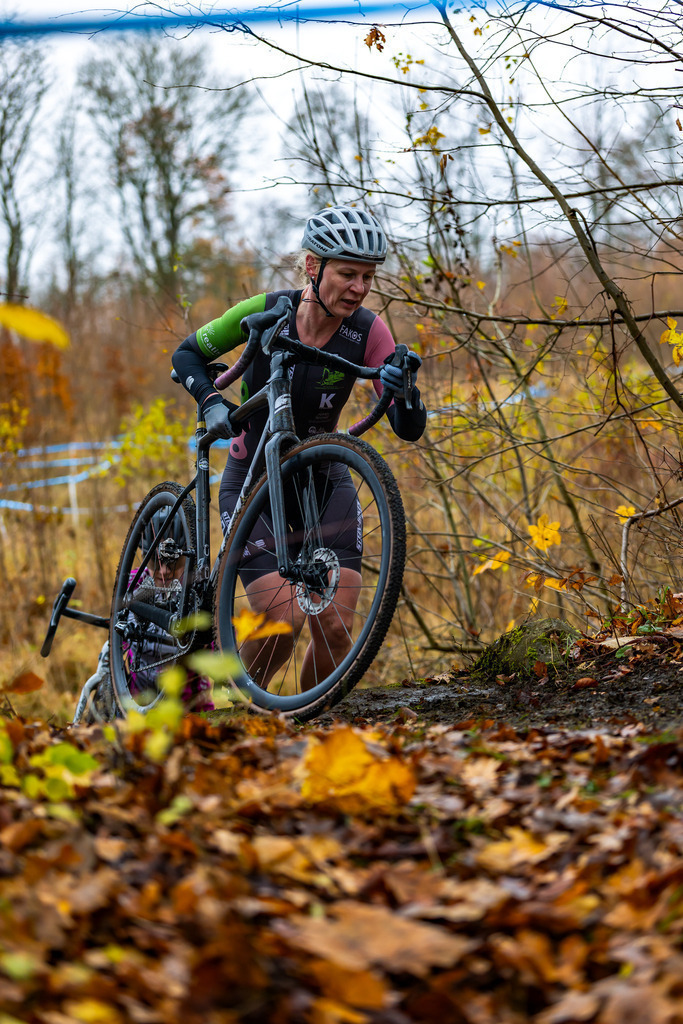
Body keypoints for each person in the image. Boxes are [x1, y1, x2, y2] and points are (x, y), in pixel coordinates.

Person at [172, 205, 427, 689]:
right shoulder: (266, 311)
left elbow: (406, 426)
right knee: (283, 622)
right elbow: (186, 353)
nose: (359, 288)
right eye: (348, 274)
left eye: (368, 277)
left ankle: (307, 729)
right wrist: (210, 401)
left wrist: (405, 390)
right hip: (253, 481)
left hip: (323, 478)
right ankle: (233, 713)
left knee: (334, 627)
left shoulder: (368, 331)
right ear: (314, 268)